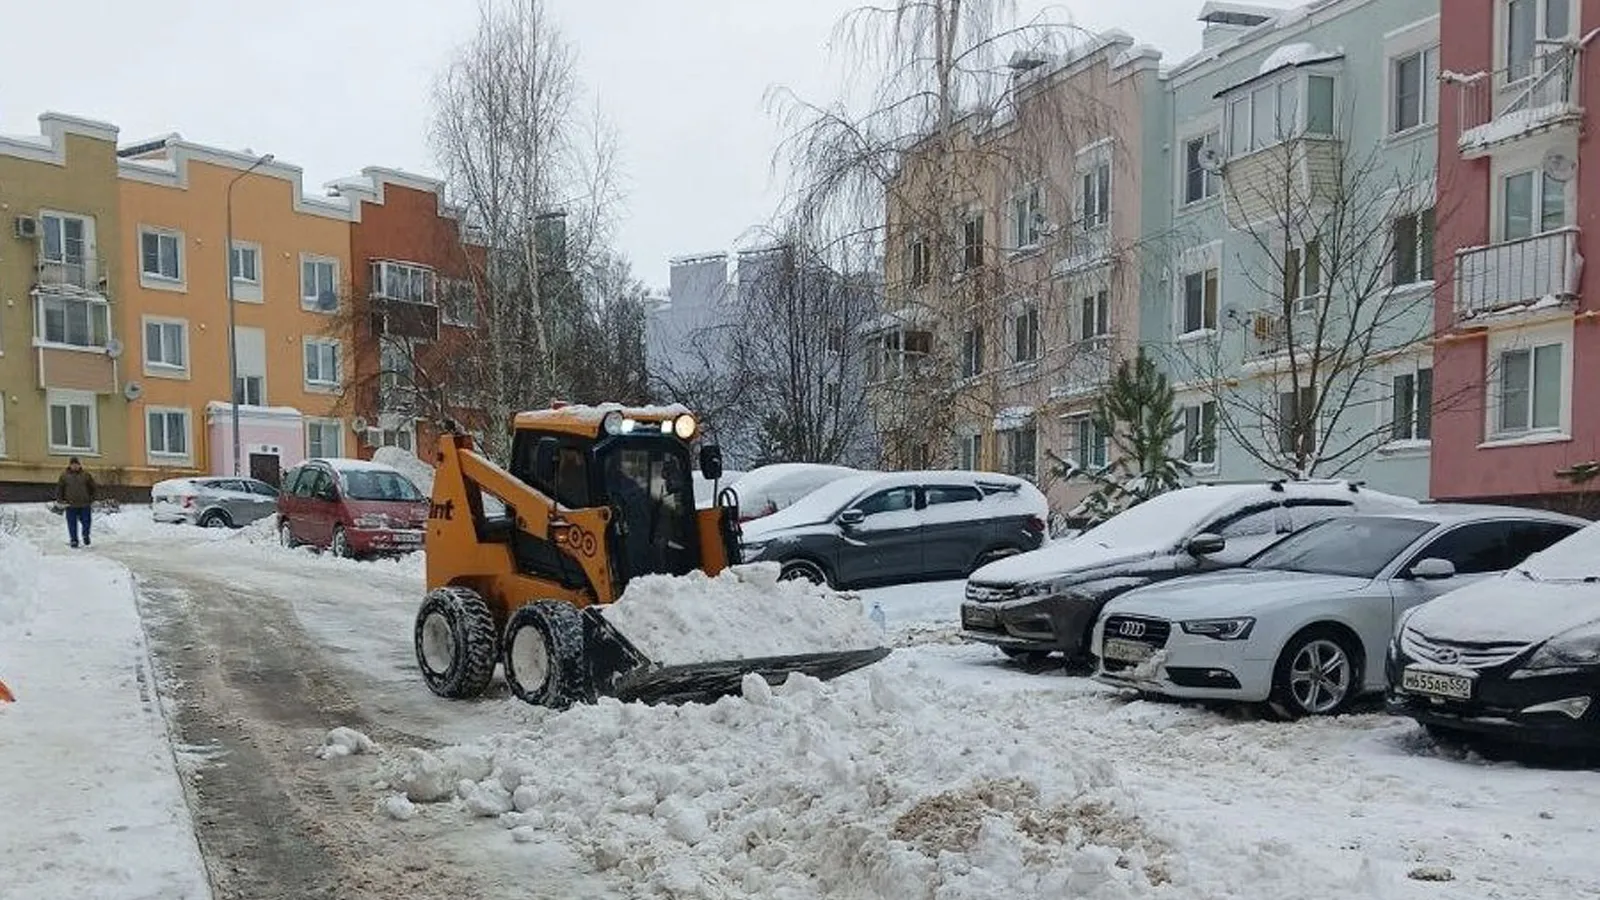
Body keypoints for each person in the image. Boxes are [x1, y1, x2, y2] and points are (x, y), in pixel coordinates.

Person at [56, 457, 97, 548]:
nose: (75, 466)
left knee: (86, 522)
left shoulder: (86, 475)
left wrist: (92, 498)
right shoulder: (64, 476)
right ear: (70, 465)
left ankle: (85, 535)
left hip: (84, 504)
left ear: (79, 465)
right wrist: (60, 500)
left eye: (76, 464)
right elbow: (60, 489)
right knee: (72, 523)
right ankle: (74, 540)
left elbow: (93, 488)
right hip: (70, 504)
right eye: (73, 464)